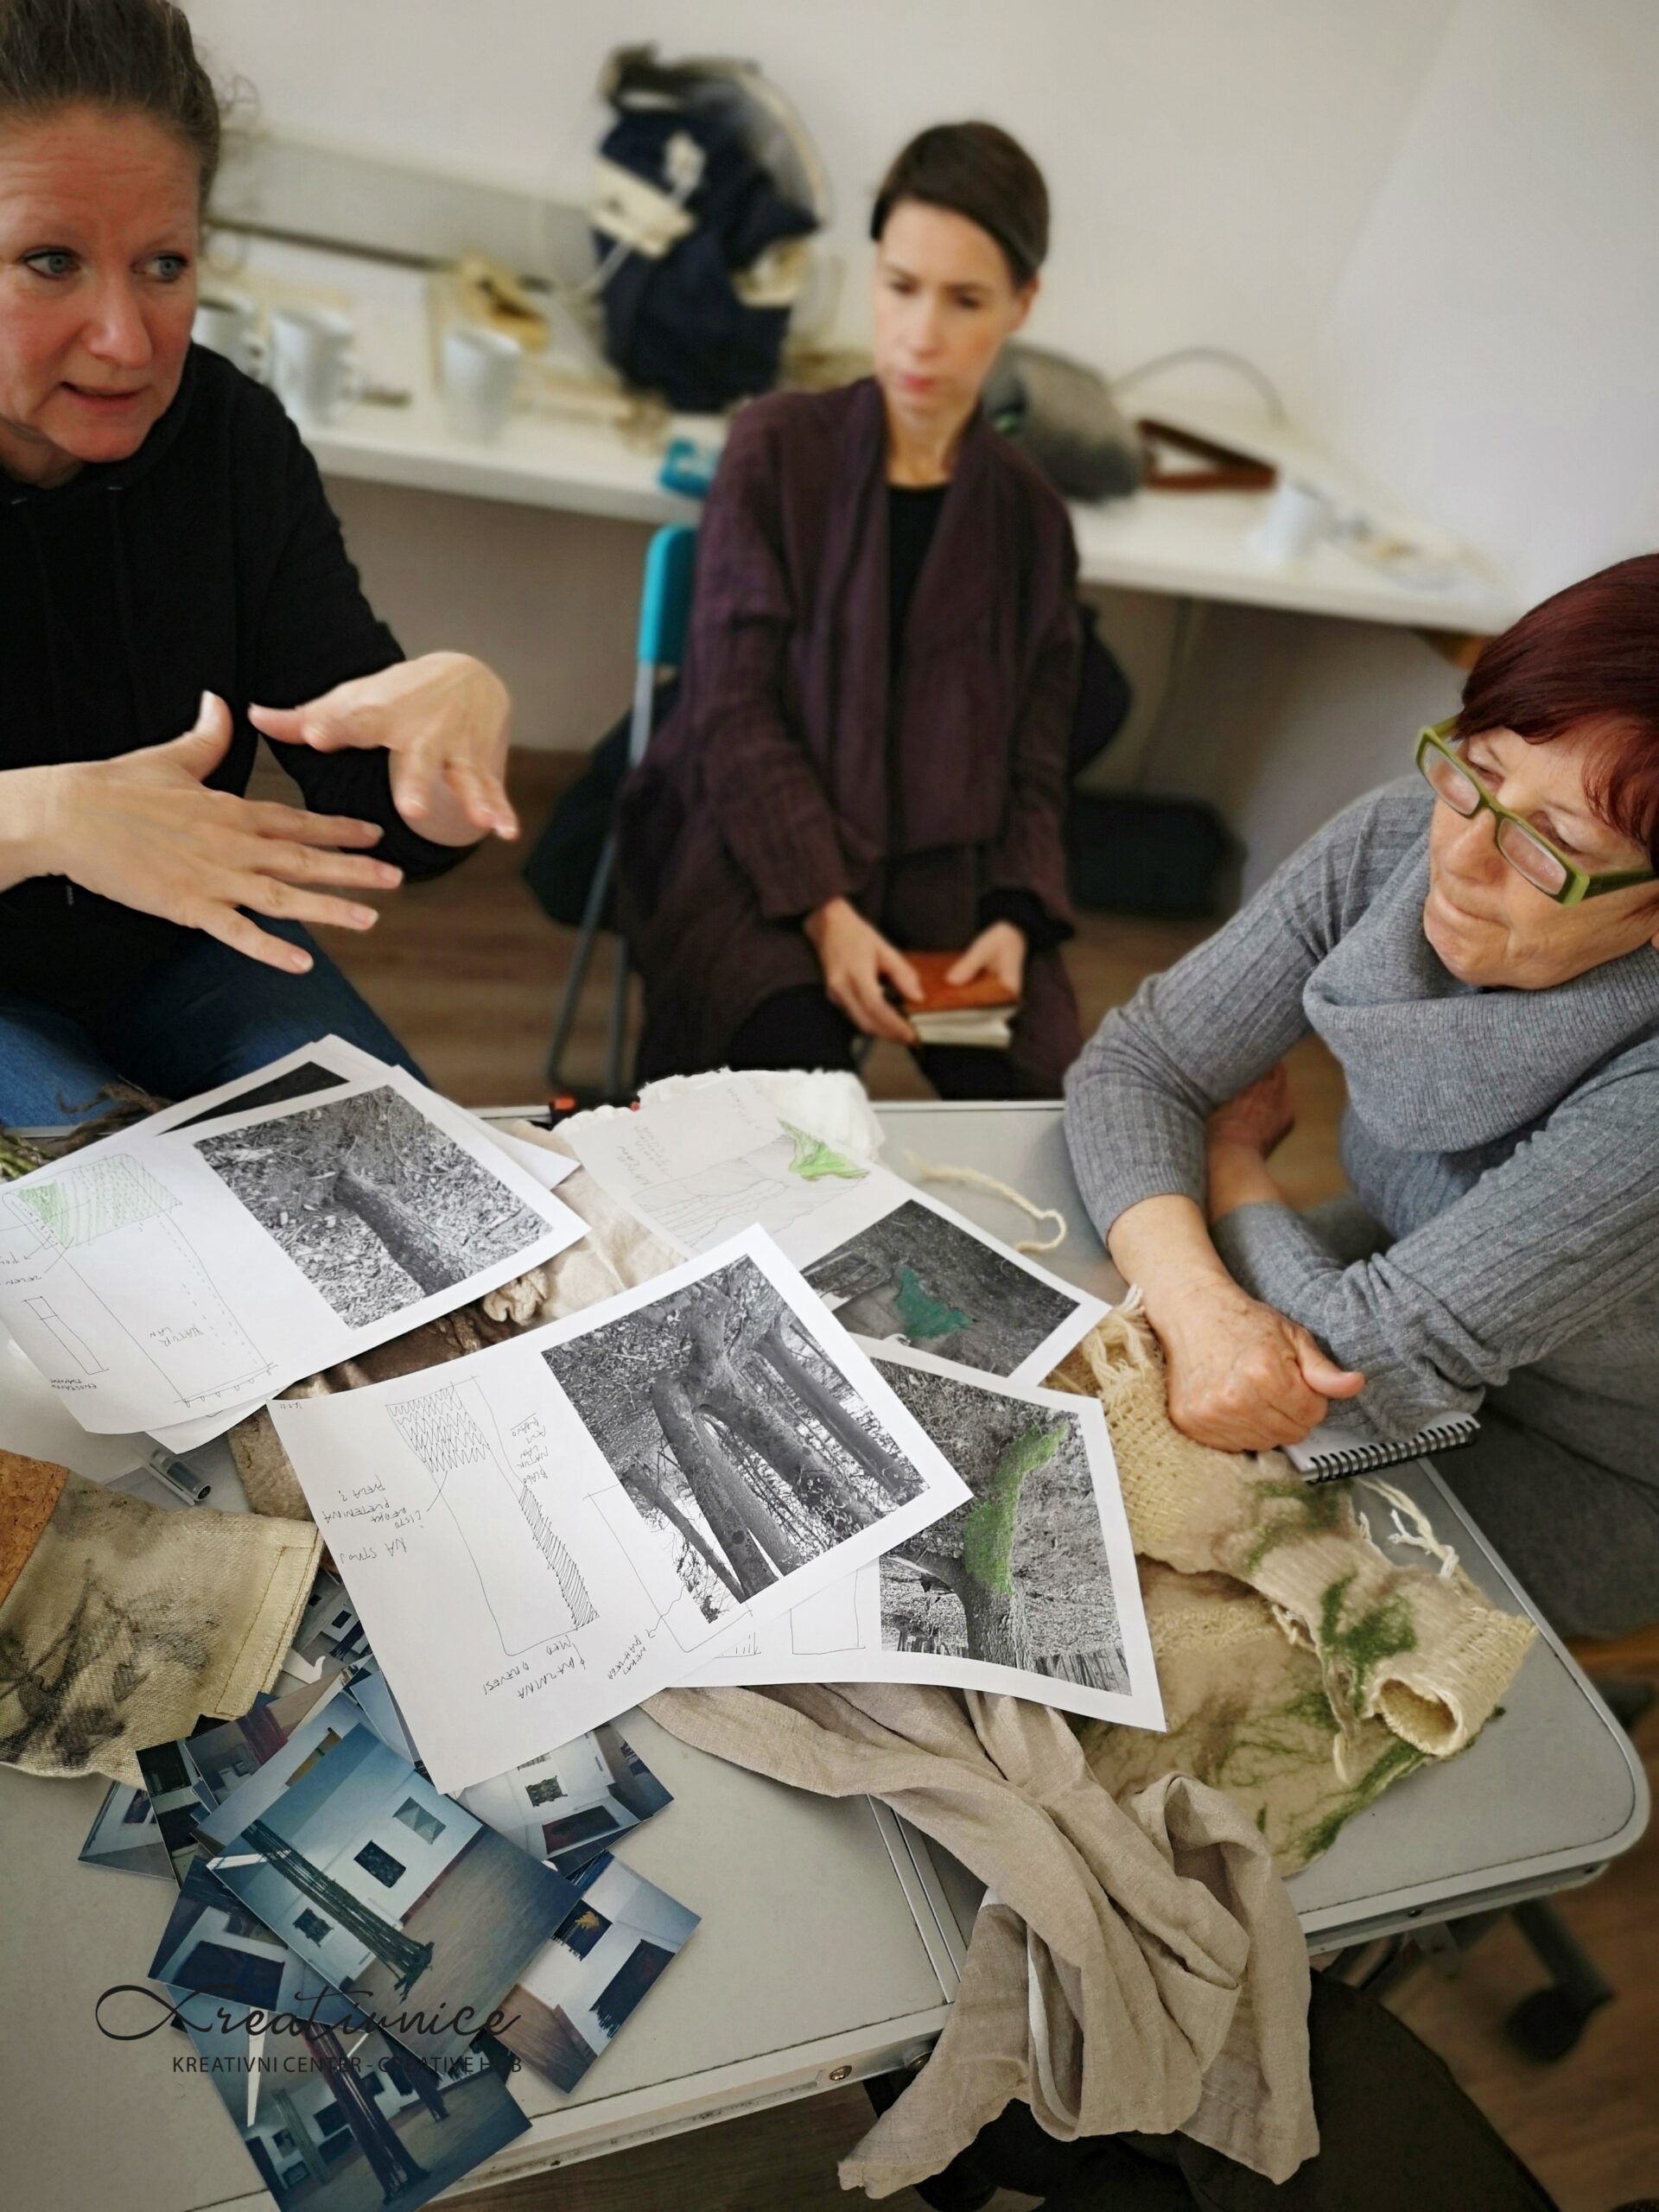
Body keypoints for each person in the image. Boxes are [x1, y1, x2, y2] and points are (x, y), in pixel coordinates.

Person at [1063, 554, 1659, 1642]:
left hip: (1597, 1456)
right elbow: (1141, 1062)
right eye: (1476, 771)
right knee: (1086, 1373)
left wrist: (1233, 1167)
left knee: (1174, 1573)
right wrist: (1201, 1304)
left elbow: (1359, 1369)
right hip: (1393, 1277)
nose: (1462, 856)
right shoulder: (1397, 838)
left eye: (1554, 847)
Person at [0, 0, 518, 1127]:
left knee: (413, 1175)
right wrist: (42, 817)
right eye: (49, 261)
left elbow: (369, 804)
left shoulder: (232, 442)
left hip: (186, 947)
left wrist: (445, 756)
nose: (126, 339)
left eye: (164, 264)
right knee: (87, 1201)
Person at [619, 120, 1083, 1098]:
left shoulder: (1034, 521)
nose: (921, 334)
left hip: (951, 879)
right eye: (901, 286)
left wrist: (1013, 919)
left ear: (1022, 304)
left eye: (965, 301)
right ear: (872, 274)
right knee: (786, 1091)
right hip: (759, 855)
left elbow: (1036, 768)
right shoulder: (776, 450)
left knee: (1048, 1105)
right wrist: (826, 911)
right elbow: (734, 715)